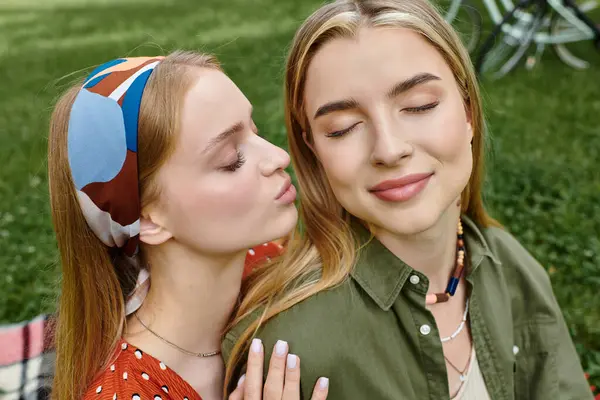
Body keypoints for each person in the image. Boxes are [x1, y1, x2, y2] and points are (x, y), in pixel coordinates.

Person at [222, 1, 593, 399]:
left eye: (420, 105)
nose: (389, 148)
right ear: (312, 150)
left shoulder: (514, 269)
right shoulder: (289, 348)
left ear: (469, 111)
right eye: (343, 128)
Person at [48, 51, 329, 400]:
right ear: (147, 218)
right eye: (231, 160)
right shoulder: (124, 393)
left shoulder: (270, 256)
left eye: (254, 131)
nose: (278, 157)